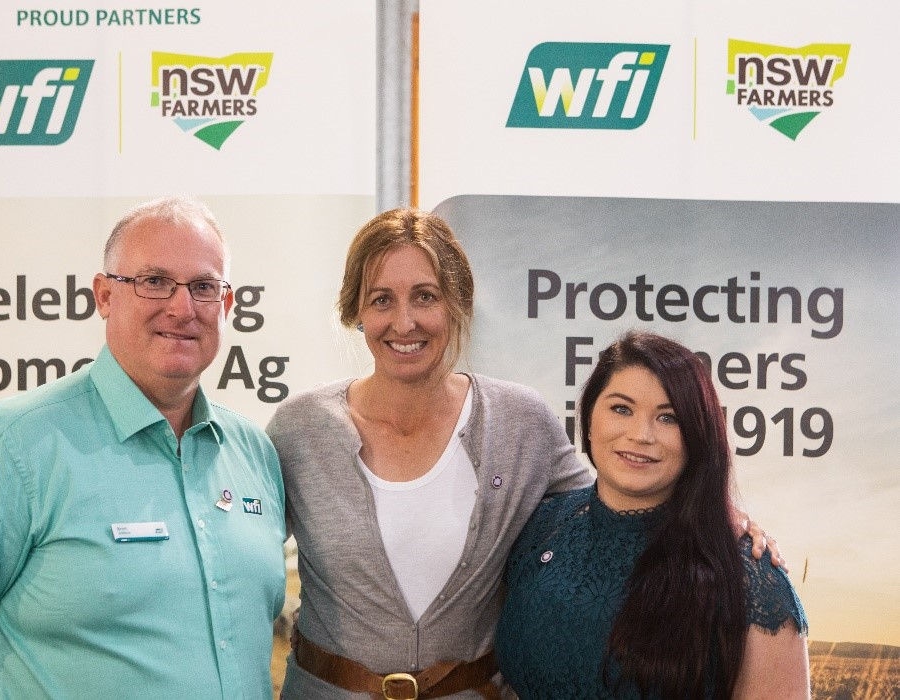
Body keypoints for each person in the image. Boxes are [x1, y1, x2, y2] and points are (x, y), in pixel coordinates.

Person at [266, 210, 779, 699]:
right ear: (355, 309)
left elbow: (620, 497)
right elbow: (238, 550)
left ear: (458, 304)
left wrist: (724, 515)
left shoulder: (520, 422)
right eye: (381, 299)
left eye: (425, 296)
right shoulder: (300, 429)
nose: (405, 322)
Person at [0, 197, 287, 698]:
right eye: (154, 281)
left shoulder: (254, 454)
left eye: (204, 287)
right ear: (104, 296)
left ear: (227, 306)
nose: (181, 307)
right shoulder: (8, 449)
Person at [495, 330, 810, 698]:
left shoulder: (750, 576)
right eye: (621, 409)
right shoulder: (543, 526)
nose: (641, 434)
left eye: (668, 418)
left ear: (698, 436)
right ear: (589, 418)